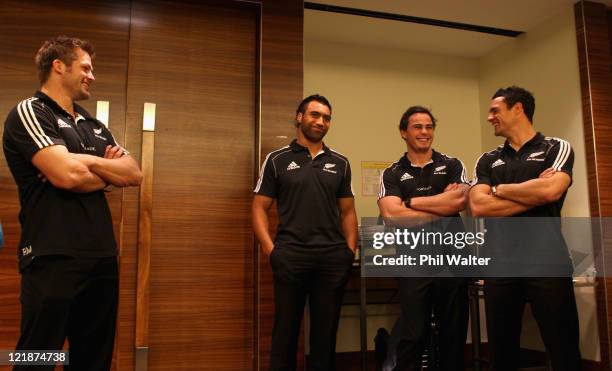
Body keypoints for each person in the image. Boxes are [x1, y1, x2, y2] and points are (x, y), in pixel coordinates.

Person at [2, 36, 142, 370]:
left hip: (102, 257)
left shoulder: (95, 125)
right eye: (86, 67)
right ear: (59, 66)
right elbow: (67, 176)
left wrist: (82, 165)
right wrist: (105, 171)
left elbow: (134, 173)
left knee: (92, 358)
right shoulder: (30, 111)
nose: (92, 76)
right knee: (37, 357)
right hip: (52, 256)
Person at [469, 86, 581, 370]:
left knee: (563, 347)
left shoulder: (556, 147)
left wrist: (499, 189)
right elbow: (479, 207)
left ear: (518, 109)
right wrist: (534, 192)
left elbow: (552, 191)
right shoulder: (487, 159)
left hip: (547, 260)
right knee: (502, 352)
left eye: (495, 111)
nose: (489, 117)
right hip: (500, 265)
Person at [252, 94, 358, 371]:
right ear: (300, 117)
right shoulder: (276, 160)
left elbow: (348, 212)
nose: (321, 122)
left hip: (332, 259)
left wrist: (349, 251)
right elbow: (259, 208)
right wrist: (271, 250)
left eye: (326, 118)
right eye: (315, 115)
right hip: (291, 256)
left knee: (325, 337)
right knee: (285, 333)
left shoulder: (341, 163)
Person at [377, 106, 470, 371]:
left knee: (453, 334)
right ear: (403, 132)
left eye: (429, 127)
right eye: (418, 127)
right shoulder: (392, 173)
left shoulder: (452, 164)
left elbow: (461, 200)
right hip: (413, 262)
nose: (425, 132)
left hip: (452, 259)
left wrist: (412, 203)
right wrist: (441, 205)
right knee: (413, 334)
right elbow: (393, 216)